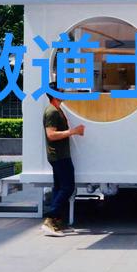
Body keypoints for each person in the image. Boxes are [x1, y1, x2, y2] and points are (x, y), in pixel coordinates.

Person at [41, 82, 85, 237]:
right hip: (58, 156)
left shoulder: (58, 109)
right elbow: (51, 135)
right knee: (67, 187)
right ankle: (50, 219)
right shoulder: (52, 112)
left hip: (60, 155)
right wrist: (73, 131)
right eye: (61, 91)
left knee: (59, 187)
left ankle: (57, 222)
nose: (64, 92)